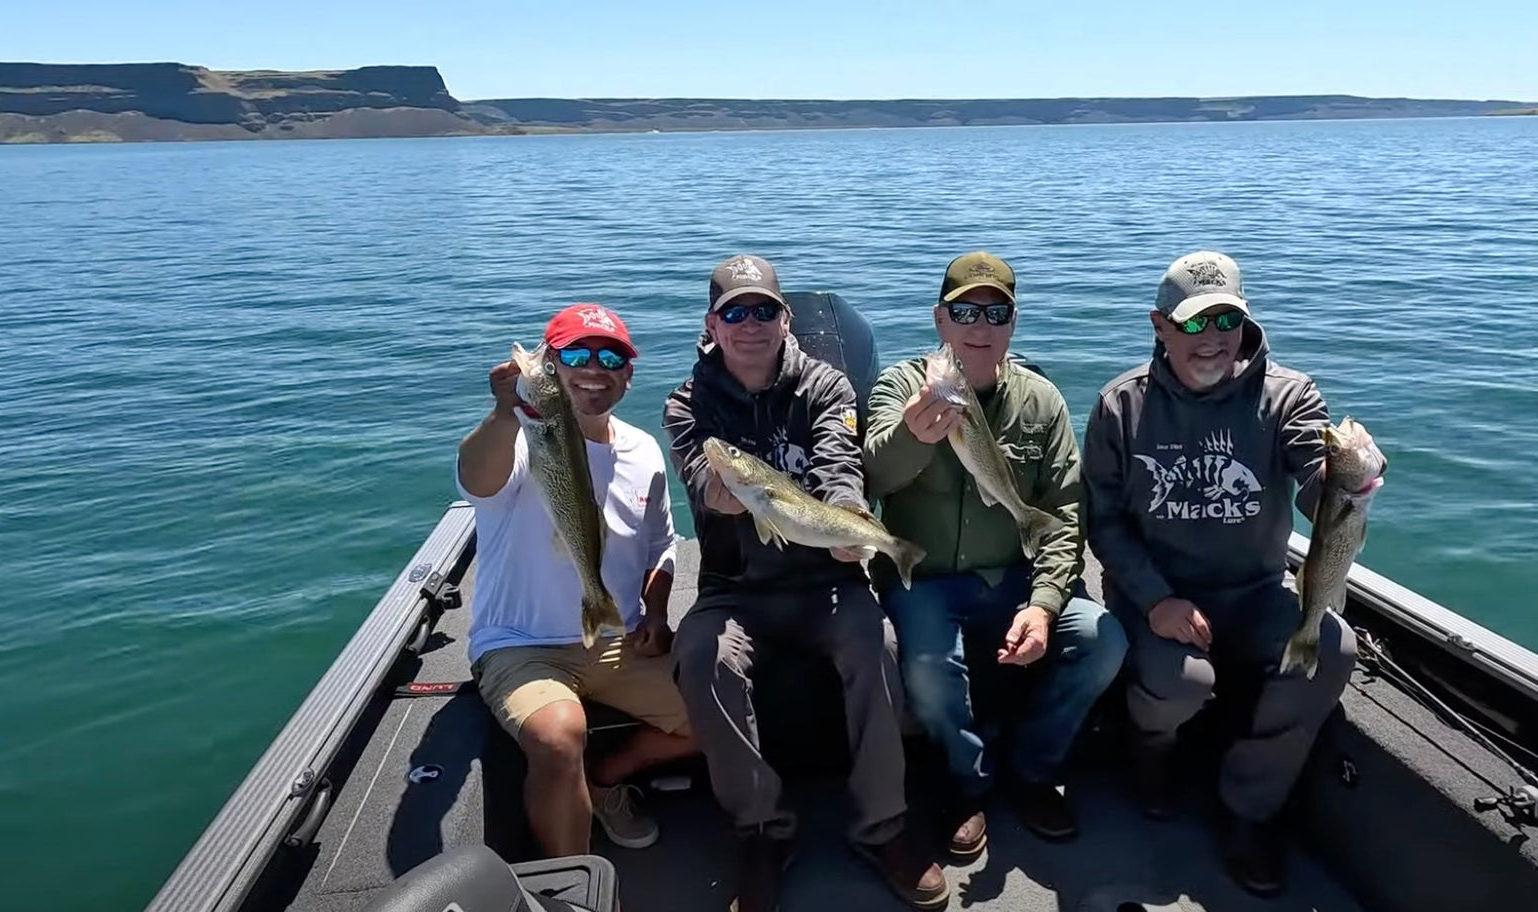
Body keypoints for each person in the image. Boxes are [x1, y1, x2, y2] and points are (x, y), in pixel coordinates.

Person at [663, 255, 947, 912]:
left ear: (786, 318)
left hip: (826, 581)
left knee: (876, 641)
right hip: (735, 589)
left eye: (764, 309)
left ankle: (883, 826)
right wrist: (733, 491)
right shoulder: (688, 402)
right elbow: (705, 483)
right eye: (736, 311)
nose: (751, 323)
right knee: (704, 655)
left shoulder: (826, 385)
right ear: (713, 324)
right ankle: (761, 830)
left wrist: (849, 522)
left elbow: (840, 462)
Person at [1081, 251, 1357, 898]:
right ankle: (1150, 756)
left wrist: (1345, 483)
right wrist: (1154, 600)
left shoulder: (1290, 395)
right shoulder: (1121, 406)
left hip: (1257, 592)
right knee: (1179, 683)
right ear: (1160, 326)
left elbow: (1319, 493)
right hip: (1160, 595)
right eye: (1194, 324)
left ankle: (1247, 807)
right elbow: (1106, 522)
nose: (1212, 340)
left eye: (1226, 320)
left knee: (1332, 649)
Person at [862, 251, 1126, 859]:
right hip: (922, 578)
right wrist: (912, 435)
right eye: (965, 311)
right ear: (940, 319)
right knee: (928, 670)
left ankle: (1033, 770)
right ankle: (969, 784)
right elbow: (869, 476)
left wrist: (1045, 602)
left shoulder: (1043, 402)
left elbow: (1063, 512)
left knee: (1102, 639)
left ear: (1012, 323)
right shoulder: (904, 387)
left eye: (996, 312)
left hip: (1015, 576)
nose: (980, 326)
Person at [456, 303, 699, 858]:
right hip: (522, 646)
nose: (594, 367)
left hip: (619, 640)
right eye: (573, 355)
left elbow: (662, 545)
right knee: (559, 734)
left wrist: (657, 614)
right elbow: (478, 482)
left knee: (728, 713)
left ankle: (609, 779)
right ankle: (573, 880)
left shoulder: (643, 450)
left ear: (628, 374)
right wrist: (501, 413)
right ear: (553, 369)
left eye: (610, 356)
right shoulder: (519, 437)